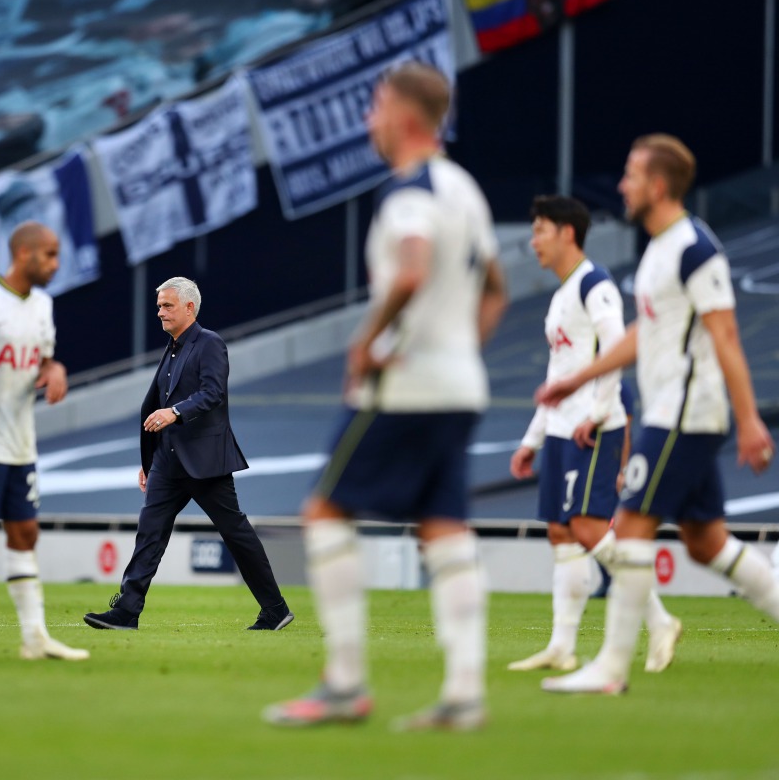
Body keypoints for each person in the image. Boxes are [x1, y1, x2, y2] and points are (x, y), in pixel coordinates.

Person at [264, 62, 507, 731]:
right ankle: (463, 693)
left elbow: (413, 266)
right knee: (444, 528)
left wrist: (366, 341)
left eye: (374, 108)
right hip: (461, 385)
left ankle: (344, 683)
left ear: (403, 118)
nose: (369, 122)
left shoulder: (411, 191)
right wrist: (460, 350)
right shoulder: (466, 188)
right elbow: (497, 289)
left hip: (403, 383)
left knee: (325, 511)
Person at [537, 134, 777, 695]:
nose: (622, 185)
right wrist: (578, 376)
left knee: (633, 524)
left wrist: (748, 419)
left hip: (685, 414)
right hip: (670, 410)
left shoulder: (695, 247)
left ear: (659, 185)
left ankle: (611, 670)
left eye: (631, 174)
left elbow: (726, 336)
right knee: (705, 541)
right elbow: (647, 333)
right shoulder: (659, 250)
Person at [507, 195, 681, 674]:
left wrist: (601, 412)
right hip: (563, 429)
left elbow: (618, 348)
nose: (533, 240)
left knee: (587, 526)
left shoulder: (595, 284)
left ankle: (660, 620)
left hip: (594, 428)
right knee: (562, 532)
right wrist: (532, 439)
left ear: (567, 232)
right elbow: (558, 371)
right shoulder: (562, 294)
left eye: (540, 230)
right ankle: (562, 646)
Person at [83, 277, 292, 631]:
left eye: (167, 306)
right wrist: (149, 463)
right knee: (149, 532)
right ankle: (127, 611)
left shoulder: (209, 343)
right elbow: (154, 405)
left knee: (236, 534)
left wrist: (175, 412)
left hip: (205, 461)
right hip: (167, 460)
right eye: (159, 305)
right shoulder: (174, 346)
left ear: (189, 308)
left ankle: (275, 609)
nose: (160, 312)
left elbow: (213, 394)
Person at [0, 221, 88, 660]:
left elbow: (46, 360)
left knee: (26, 531)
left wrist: (56, 371)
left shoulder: (43, 306)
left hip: (21, 441)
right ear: (23, 254)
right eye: (49, 254)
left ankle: (35, 638)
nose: (56, 263)